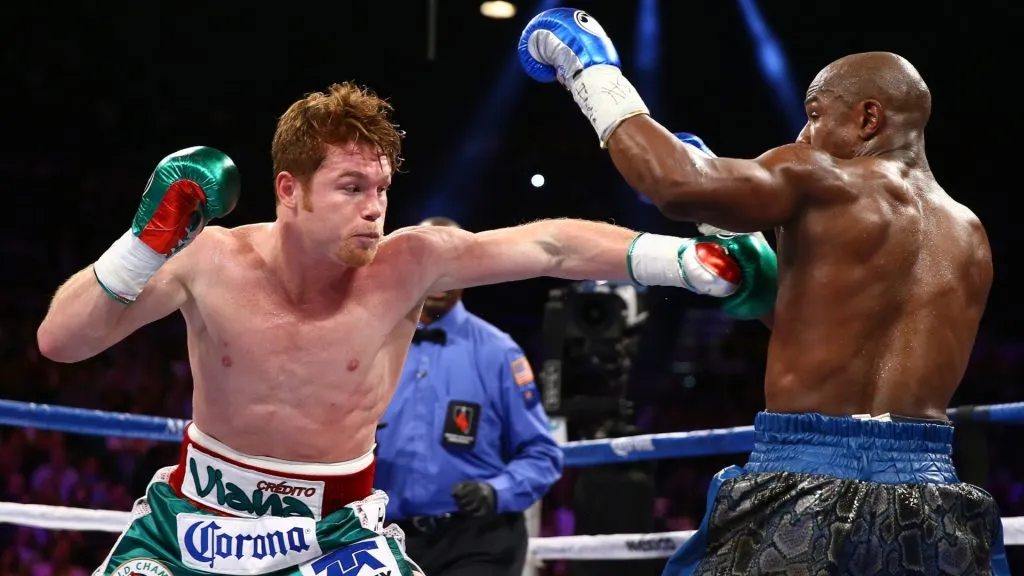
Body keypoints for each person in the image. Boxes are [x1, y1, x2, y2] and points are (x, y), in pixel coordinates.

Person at [36, 82, 778, 576]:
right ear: (288, 190)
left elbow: (550, 245)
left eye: (383, 187)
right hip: (194, 518)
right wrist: (144, 242)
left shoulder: (410, 263)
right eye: (352, 187)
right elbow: (62, 342)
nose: (374, 207)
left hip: (332, 532)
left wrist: (682, 260)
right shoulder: (208, 258)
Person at [519, 8, 1007, 574]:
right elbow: (844, 330)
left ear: (869, 117)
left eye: (816, 114)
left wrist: (592, 72)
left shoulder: (820, 176)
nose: (804, 135)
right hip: (931, 495)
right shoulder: (971, 235)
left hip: (808, 476)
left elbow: (674, 184)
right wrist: (763, 283)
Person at [374, 216, 562, 576]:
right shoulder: (372, 343)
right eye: (430, 261)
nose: (440, 275)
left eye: (451, 262)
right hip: (384, 537)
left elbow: (542, 454)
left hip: (476, 540)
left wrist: (496, 491)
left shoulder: (498, 352)